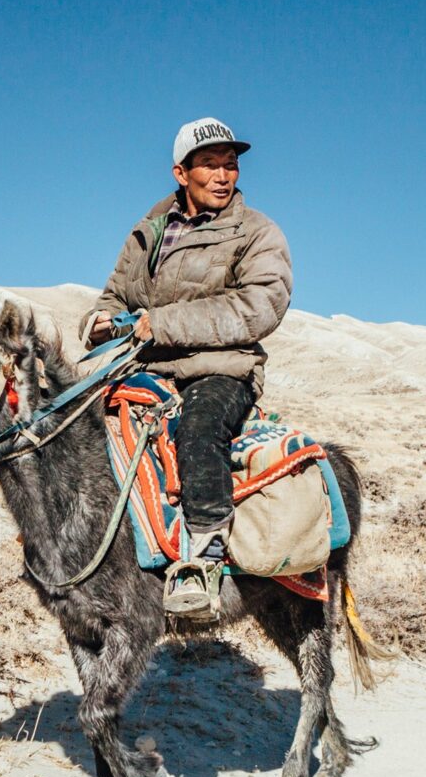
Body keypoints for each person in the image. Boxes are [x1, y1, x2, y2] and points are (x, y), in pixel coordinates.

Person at [82, 117, 292, 616]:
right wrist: (98, 321)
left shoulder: (257, 232)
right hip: (145, 366)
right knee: (72, 423)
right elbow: (114, 294)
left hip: (221, 367)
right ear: (181, 172)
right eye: (210, 165)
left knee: (199, 430)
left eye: (231, 165)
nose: (224, 176)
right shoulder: (150, 231)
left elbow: (261, 305)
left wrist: (164, 324)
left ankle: (204, 557)